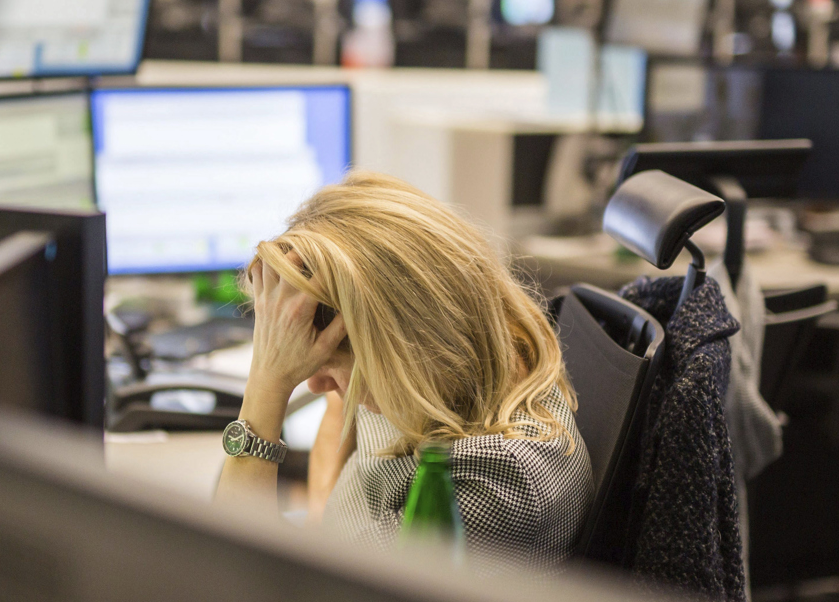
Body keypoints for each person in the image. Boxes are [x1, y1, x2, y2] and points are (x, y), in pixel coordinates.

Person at [215, 171, 593, 573]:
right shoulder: (463, 363)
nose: (316, 382)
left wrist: (267, 384)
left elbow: (237, 587)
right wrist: (322, 524)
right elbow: (339, 407)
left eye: (332, 366)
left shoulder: (492, 484)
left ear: (409, 343)